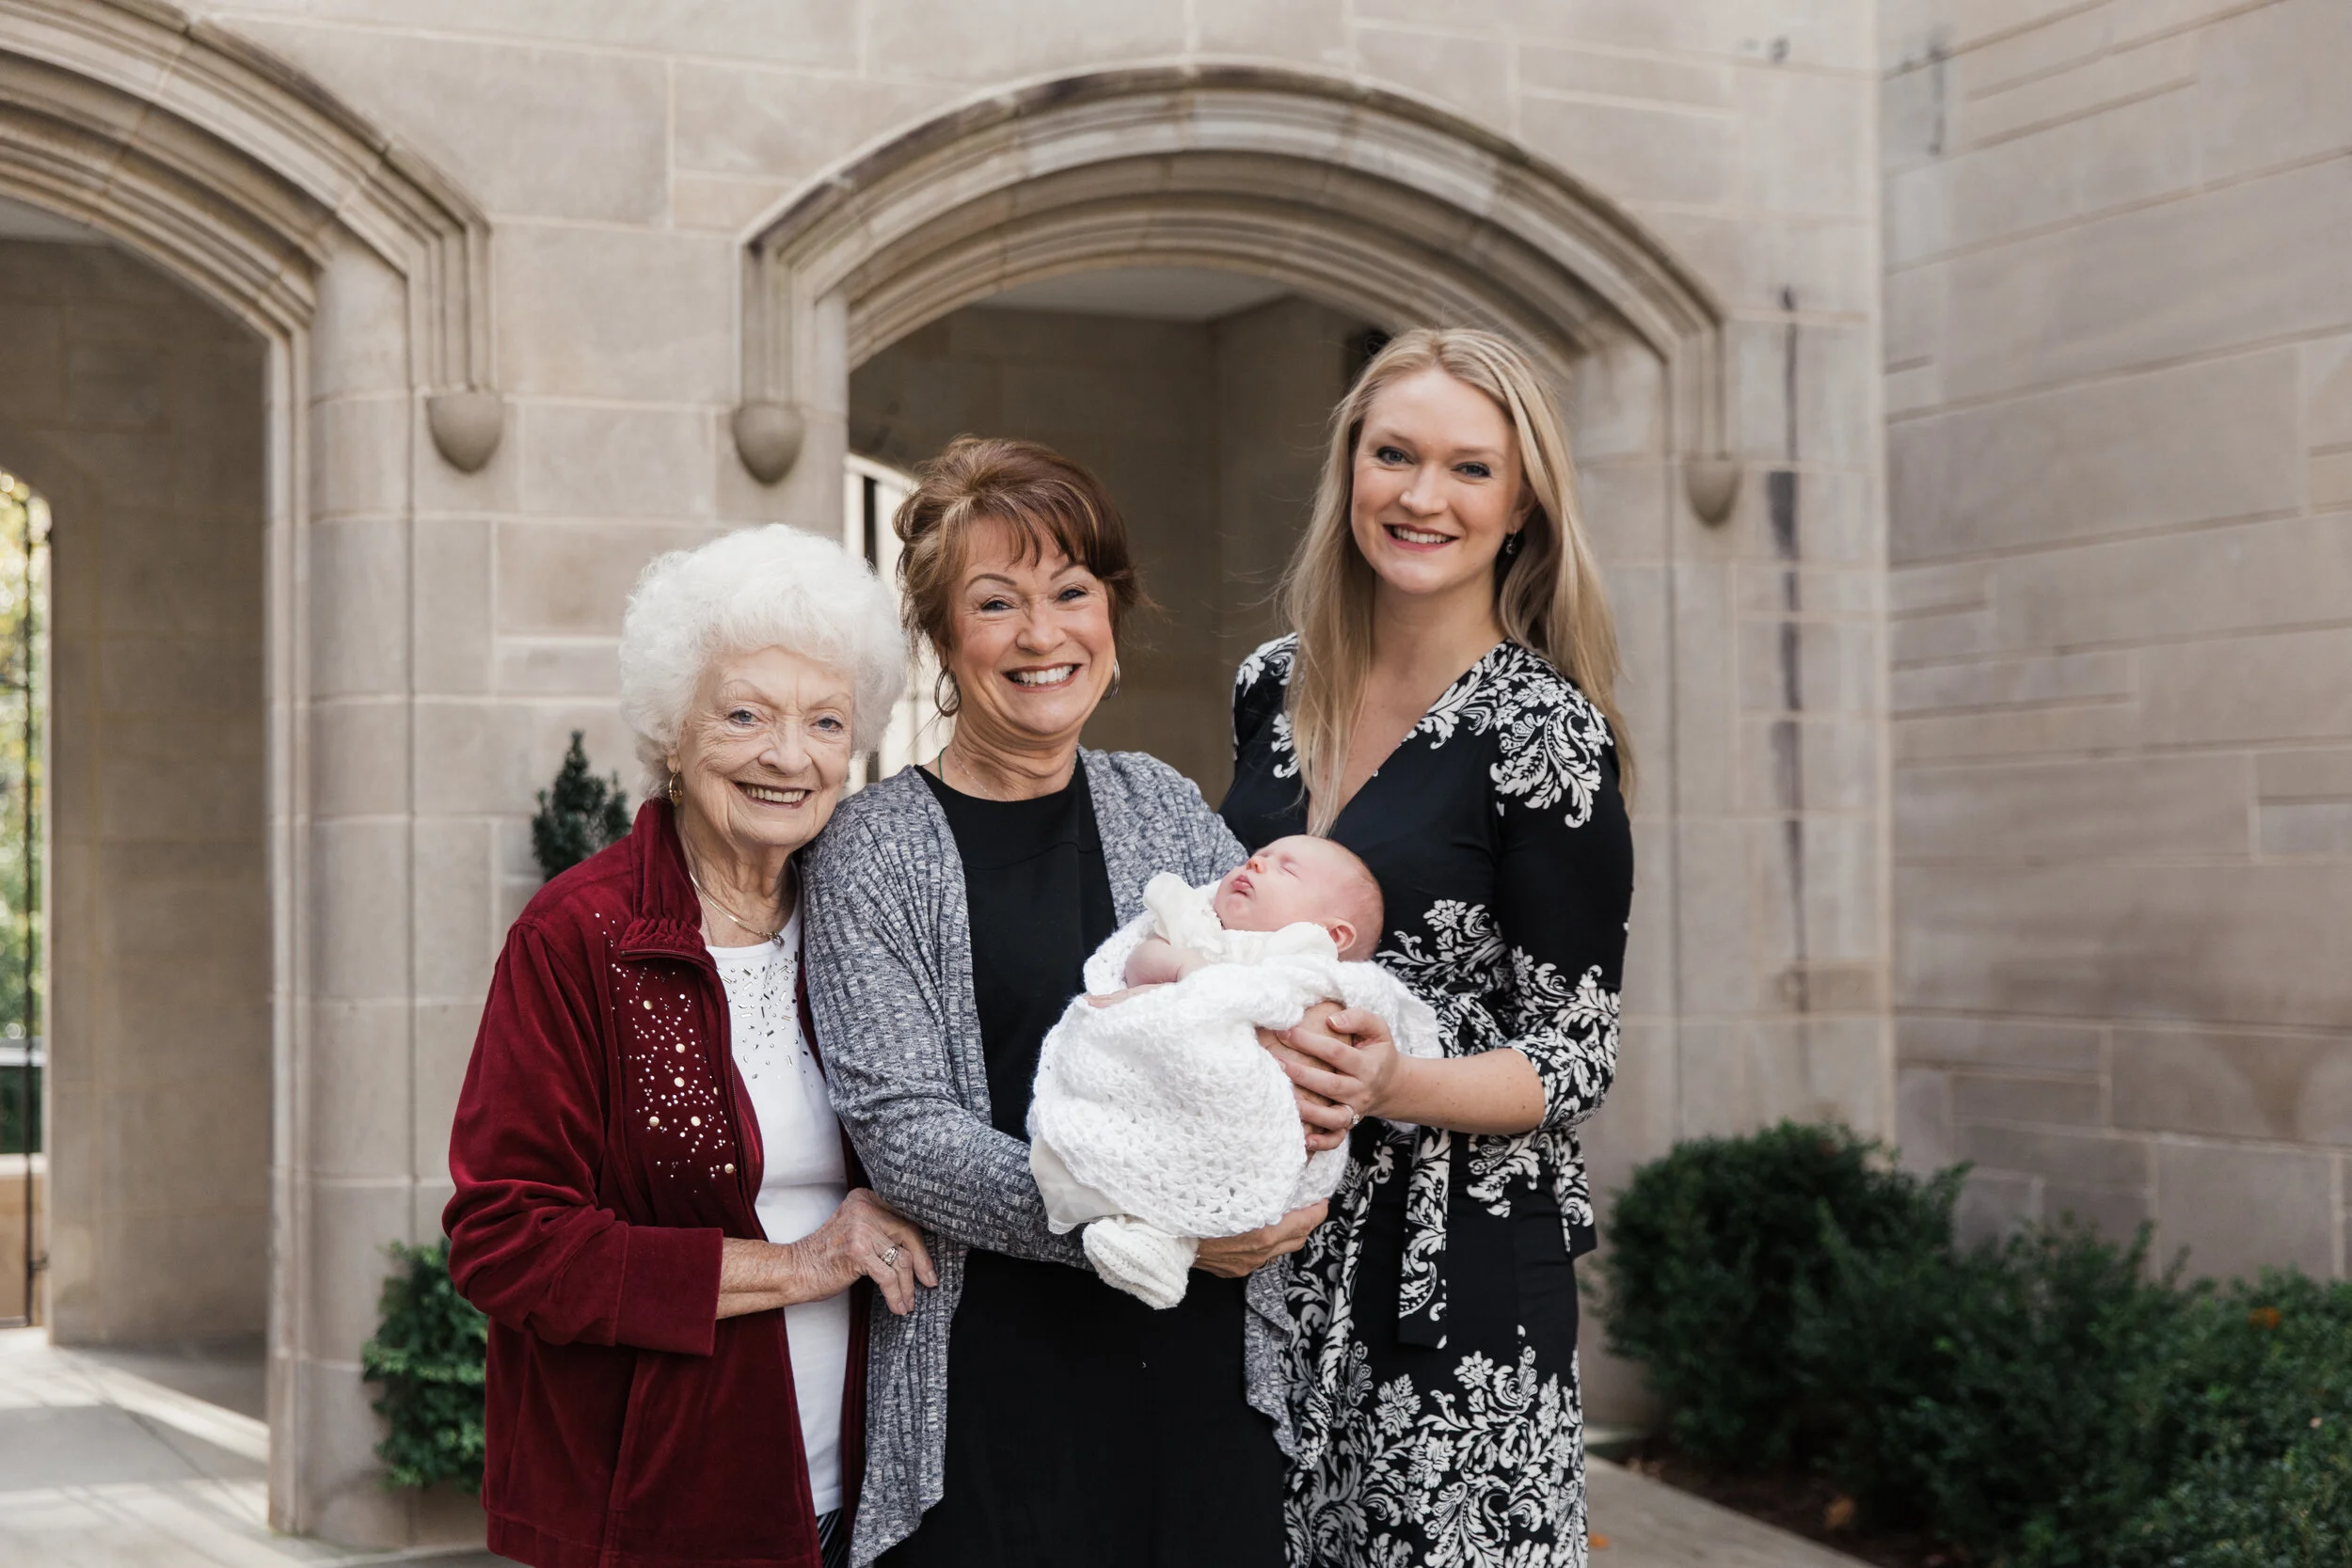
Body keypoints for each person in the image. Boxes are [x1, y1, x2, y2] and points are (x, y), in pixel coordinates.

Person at [802, 436, 1324, 1568]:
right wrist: (1151, 1227)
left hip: (1197, 1379)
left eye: (1071, 592)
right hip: (994, 1396)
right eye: (996, 602)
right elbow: (905, 1134)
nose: (1042, 634)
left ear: (1112, 611)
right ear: (943, 637)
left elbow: (1280, 1013)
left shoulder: (1161, 804)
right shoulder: (871, 849)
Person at [1220, 327, 1637, 1568]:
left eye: (1470, 468)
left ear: (1521, 507)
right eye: (1394, 454)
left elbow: (1576, 1052)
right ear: (1350, 467)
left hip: (1455, 1269)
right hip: (1265, 1239)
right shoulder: (1268, 686)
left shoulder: (1545, 732)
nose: (1422, 495)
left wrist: (1392, 1079)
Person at [444, 525, 935, 1568]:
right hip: (655, 1513)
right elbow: (506, 1239)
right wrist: (801, 1263)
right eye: (745, 714)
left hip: (866, 1500)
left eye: (825, 720)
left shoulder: (863, 921)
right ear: (673, 730)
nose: (788, 755)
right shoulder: (581, 935)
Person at [1026, 837, 1441, 1309]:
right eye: (1256, 857)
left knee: (1239, 1147)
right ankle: (1140, 1225)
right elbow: (1138, 963)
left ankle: (1163, 1239)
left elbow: (1361, 1040)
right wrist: (1189, 971)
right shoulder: (1195, 930)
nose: (1256, 864)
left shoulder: (1327, 973)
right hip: (1167, 1086)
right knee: (1119, 1143)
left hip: (1252, 1114)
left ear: (1335, 934)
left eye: (1286, 869)